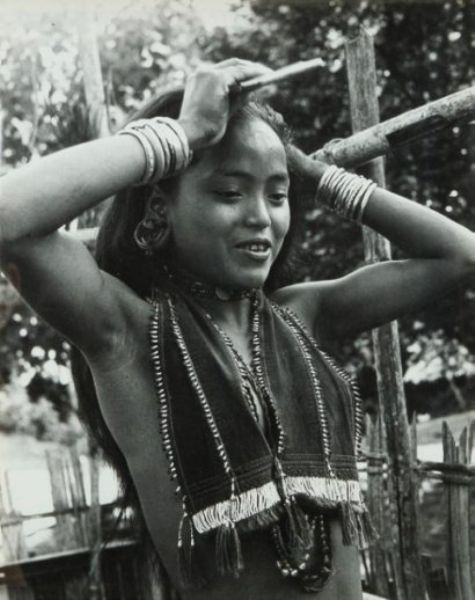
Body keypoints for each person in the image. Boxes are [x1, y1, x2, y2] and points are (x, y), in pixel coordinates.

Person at [0, 58, 474, 600]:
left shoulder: (303, 315)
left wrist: (317, 177)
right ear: (159, 209)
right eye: (230, 193)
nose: (261, 217)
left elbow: (460, 257)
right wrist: (185, 133)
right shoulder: (127, 335)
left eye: (277, 195)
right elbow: (9, 220)